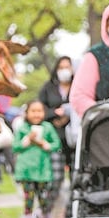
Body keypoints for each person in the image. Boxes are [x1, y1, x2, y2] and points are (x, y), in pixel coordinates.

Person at [13, 100, 63, 218]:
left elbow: (56, 144)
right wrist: (27, 140)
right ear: (27, 113)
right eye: (33, 111)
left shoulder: (47, 127)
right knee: (29, 199)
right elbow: (15, 146)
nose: (36, 114)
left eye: (39, 111)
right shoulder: (23, 128)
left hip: (43, 170)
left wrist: (46, 144)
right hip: (27, 171)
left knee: (44, 198)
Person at [38, 56, 75, 187]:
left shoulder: (79, 85)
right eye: (61, 68)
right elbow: (39, 110)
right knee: (56, 176)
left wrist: (69, 115)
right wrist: (54, 114)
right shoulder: (48, 88)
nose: (64, 70)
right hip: (55, 137)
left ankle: (73, 206)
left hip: (75, 137)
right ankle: (52, 205)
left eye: (67, 67)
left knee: (76, 175)